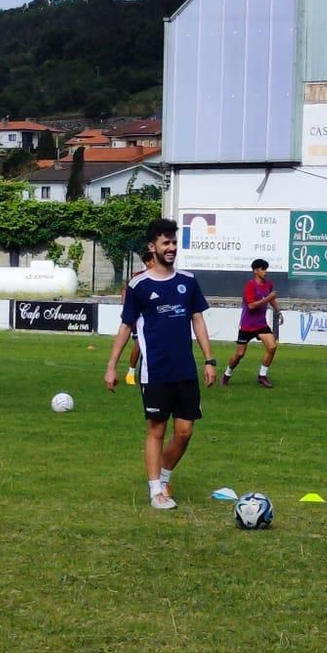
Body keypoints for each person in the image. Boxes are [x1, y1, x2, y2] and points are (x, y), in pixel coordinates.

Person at [105, 218, 215, 511]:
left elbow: (199, 321)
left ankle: (163, 477)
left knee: (185, 432)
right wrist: (112, 366)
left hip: (185, 370)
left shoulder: (188, 282)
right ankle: (156, 490)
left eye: (174, 242)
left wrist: (209, 359)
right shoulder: (139, 285)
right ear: (152, 247)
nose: (172, 248)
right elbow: (126, 327)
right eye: (166, 243)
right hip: (155, 370)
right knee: (156, 429)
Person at [222, 258, 278, 387]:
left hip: (261, 324)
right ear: (255, 271)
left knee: (272, 346)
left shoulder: (268, 284)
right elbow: (252, 305)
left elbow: (271, 298)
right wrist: (268, 298)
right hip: (247, 325)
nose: (265, 272)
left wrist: (278, 310)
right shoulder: (250, 285)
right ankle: (227, 374)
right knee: (239, 354)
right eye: (263, 269)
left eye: (266, 269)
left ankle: (262, 375)